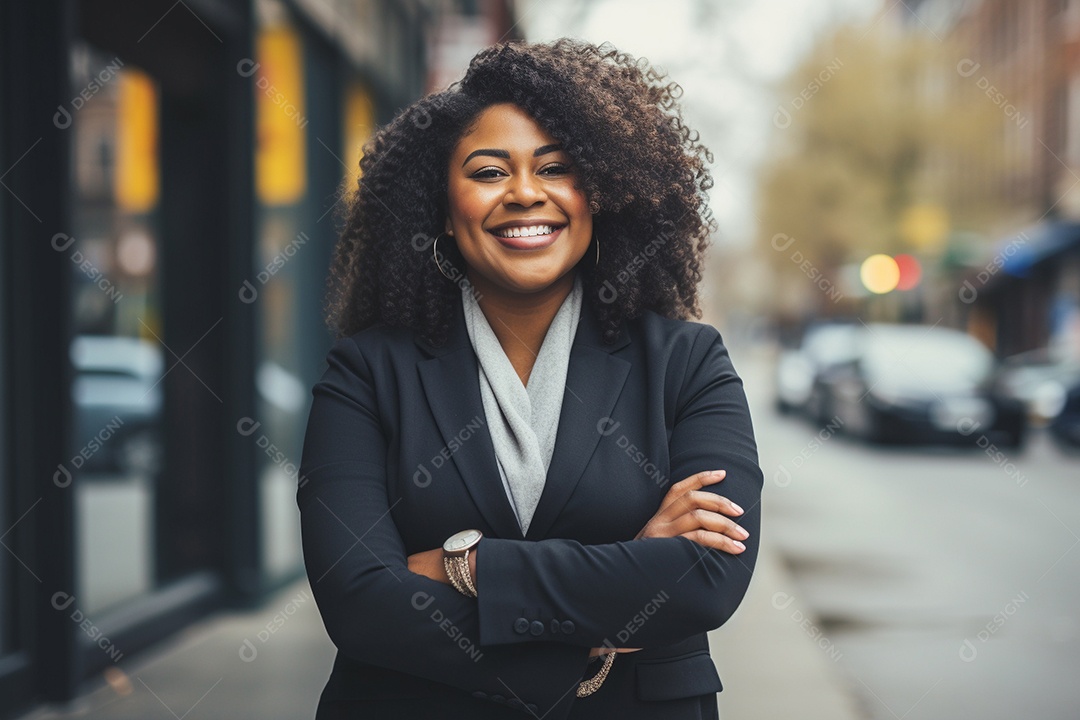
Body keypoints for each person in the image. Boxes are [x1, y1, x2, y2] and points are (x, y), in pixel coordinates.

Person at [297, 38, 763, 720]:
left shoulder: (687, 362)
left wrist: (467, 566)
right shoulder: (367, 371)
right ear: (441, 208)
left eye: (556, 168)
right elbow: (360, 602)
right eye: (489, 172)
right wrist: (609, 608)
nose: (523, 193)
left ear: (600, 193)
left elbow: (706, 579)